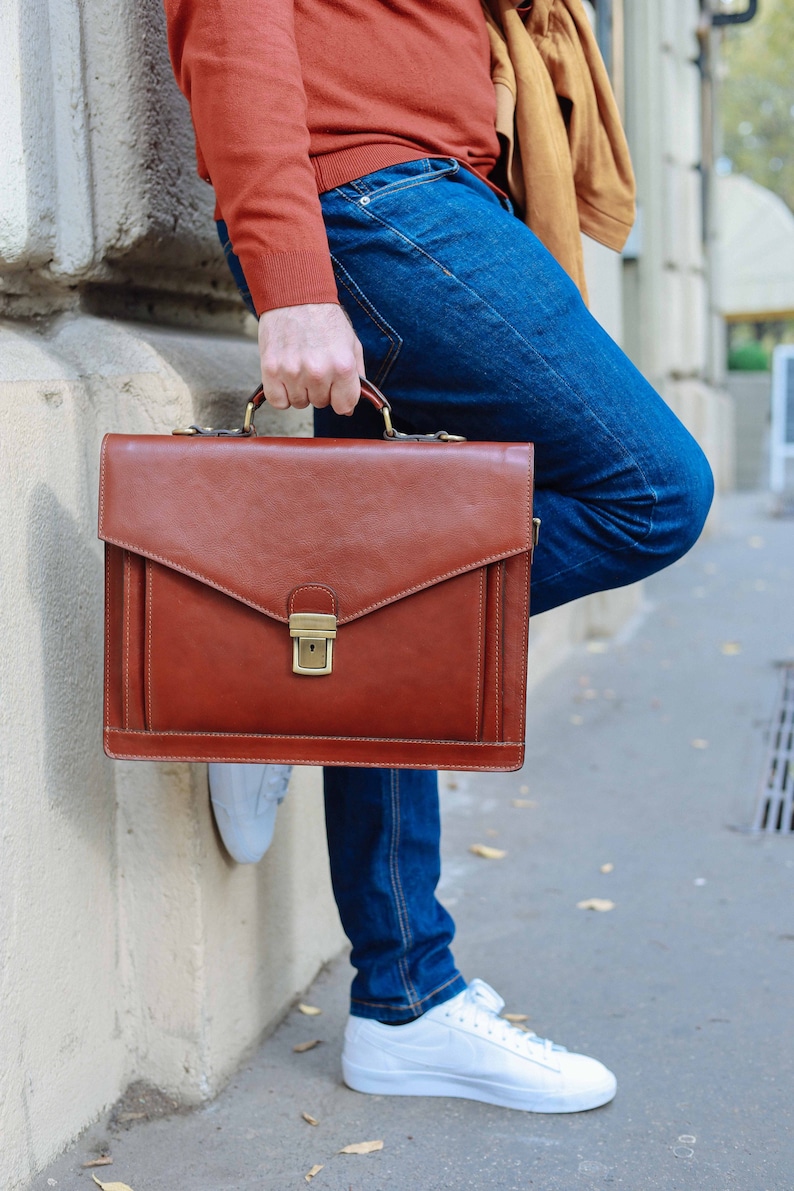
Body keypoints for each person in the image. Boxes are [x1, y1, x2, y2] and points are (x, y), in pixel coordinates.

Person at [163, 0, 714, 1114]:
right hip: (376, 201)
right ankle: (282, 672)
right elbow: (234, 23)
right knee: (651, 490)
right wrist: (292, 276)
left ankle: (403, 1002)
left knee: (389, 579)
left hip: (418, 196)